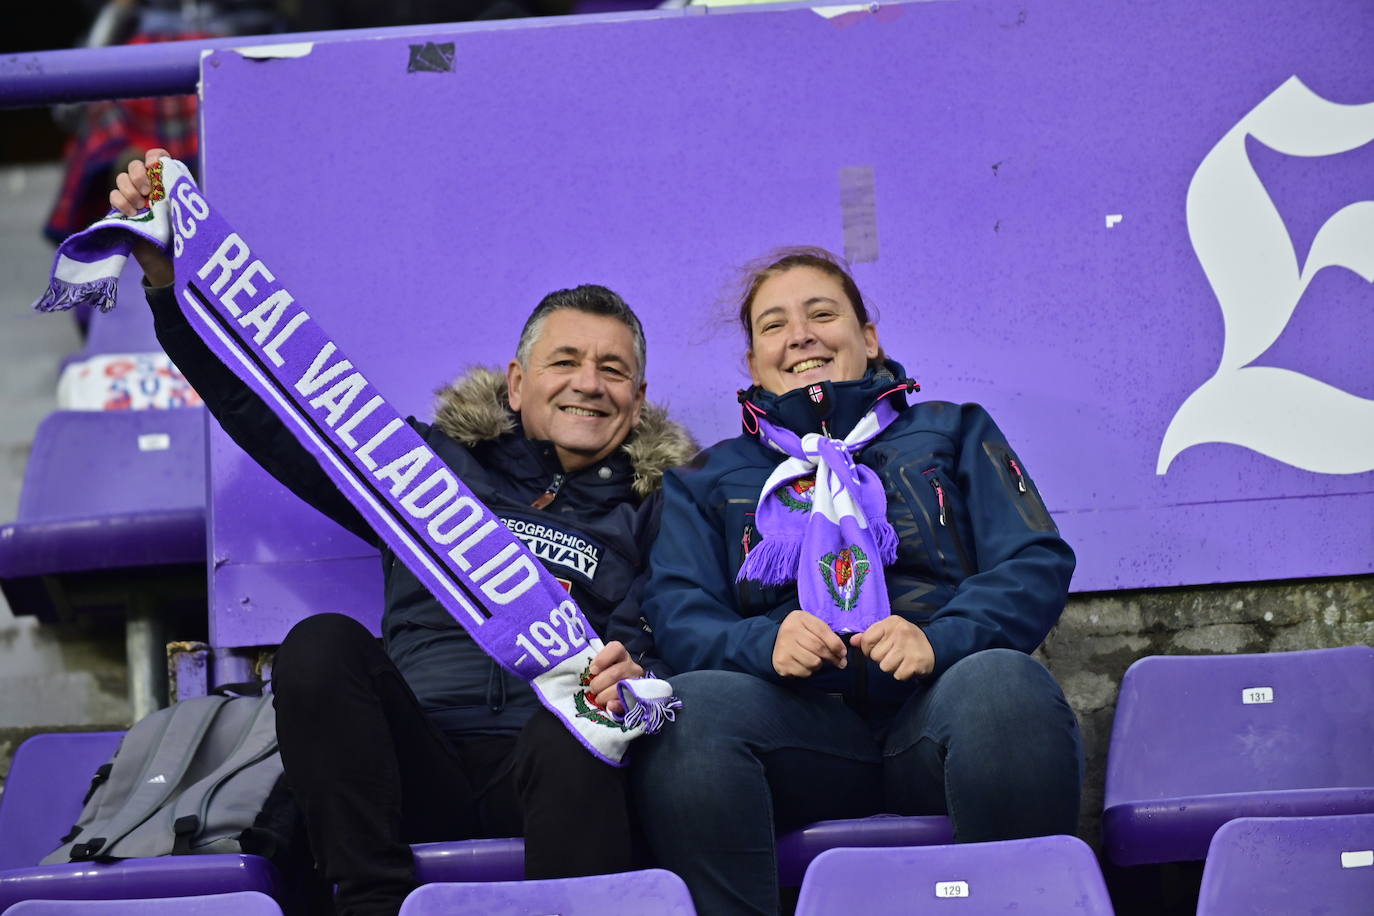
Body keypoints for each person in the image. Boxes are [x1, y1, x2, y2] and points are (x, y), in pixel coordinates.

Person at [110, 150, 696, 916]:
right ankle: (372, 907)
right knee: (319, 646)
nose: (589, 382)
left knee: (577, 733)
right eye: (565, 361)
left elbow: (681, 627)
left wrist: (636, 674)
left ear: (639, 397)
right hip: (414, 761)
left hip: (558, 768)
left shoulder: (665, 504)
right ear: (517, 384)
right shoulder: (423, 466)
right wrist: (165, 280)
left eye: (612, 369)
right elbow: (265, 411)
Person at [630, 247, 1083, 915]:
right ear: (753, 362)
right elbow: (677, 610)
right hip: (797, 733)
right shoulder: (702, 480)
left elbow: (1034, 559)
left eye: (822, 313)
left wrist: (942, 639)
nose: (801, 335)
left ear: (868, 339)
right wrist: (764, 642)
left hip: (939, 715)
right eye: (774, 325)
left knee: (1005, 686)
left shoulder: (954, 431)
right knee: (687, 714)